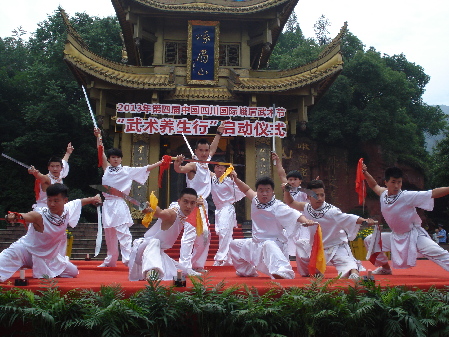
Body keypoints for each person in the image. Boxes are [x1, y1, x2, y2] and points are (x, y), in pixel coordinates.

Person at [0, 183, 101, 282]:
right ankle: (22, 264)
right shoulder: (40, 214)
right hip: (25, 251)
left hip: (48, 257)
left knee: (73, 271)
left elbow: (81, 201)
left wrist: (94, 198)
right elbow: (27, 216)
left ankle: (39, 268)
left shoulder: (67, 209)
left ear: (65, 201)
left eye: (56, 201)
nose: (52, 204)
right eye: (49, 200)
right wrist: (16, 216)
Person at [94, 127, 163, 267]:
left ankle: (128, 259)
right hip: (107, 204)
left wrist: (161, 162)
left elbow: (146, 168)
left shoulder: (127, 171)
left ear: (121, 159)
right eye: (113, 157)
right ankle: (110, 260)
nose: (115, 159)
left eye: (118, 157)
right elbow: (100, 152)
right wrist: (98, 136)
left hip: (119, 203)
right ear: (110, 158)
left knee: (123, 233)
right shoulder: (106, 169)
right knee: (109, 233)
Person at [363, 165, 449, 275]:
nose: (397, 185)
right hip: (395, 236)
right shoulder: (383, 194)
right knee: (370, 240)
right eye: (393, 182)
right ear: (386, 182)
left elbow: (432, 193)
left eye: (399, 182)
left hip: (414, 236)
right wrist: (365, 172)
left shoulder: (406, 196)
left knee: (439, 253)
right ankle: (385, 269)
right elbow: (374, 185)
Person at [228, 173, 315, 279]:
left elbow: (296, 215)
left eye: (267, 190)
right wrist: (236, 179)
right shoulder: (255, 199)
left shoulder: (278, 206)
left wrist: (306, 221)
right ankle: (246, 271)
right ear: (257, 191)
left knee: (268, 244)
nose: (264, 193)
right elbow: (246, 190)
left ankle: (284, 271)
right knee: (234, 244)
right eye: (261, 190)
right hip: (256, 243)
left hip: (274, 244)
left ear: (272, 191)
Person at [283, 179, 375, 279]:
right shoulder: (307, 207)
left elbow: (350, 218)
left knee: (349, 268)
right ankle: (312, 272)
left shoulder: (332, 211)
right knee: (301, 244)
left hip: (335, 246)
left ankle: (355, 274)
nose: (319, 198)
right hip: (316, 248)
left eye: (322, 195)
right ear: (308, 197)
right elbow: (290, 202)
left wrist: (366, 221)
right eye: (316, 195)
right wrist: (286, 191)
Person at [173, 122, 225, 273]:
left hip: (203, 205)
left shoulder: (206, 163)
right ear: (195, 151)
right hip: (192, 205)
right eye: (201, 150)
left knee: (205, 236)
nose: (204, 153)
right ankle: (184, 267)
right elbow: (180, 169)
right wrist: (177, 164)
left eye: (206, 150)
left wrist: (218, 133)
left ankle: (197, 264)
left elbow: (214, 147)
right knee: (189, 235)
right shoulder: (193, 165)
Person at [128, 188, 202, 281]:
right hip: (146, 249)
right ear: (179, 201)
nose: (188, 206)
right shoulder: (173, 214)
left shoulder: (181, 213)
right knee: (155, 242)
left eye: (192, 203)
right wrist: (151, 208)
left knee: (181, 271)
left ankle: (180, 271)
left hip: (158, 252)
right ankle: (152, 274)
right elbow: (161, 213)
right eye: (185, 202)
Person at [271, 152, 310, 257]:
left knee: (304, 242)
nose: (292, 182)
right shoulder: (287, 189)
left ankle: (306, 261)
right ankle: (291, 259)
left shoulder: (304, 191)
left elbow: (315, 196)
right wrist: (278, 161)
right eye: (290, 180)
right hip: (290, 220)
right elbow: (281, 174)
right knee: (289, 240)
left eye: (295, 180)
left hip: (303, 220)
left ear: (300, 181)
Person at [210, 161, 245, 266]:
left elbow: (240, 192)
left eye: (222, 168)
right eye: (217, 167)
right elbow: (203, 169)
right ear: (214, 169)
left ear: (225, 169)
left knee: (225, 232)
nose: (220, 170)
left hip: (227, 208)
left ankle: (221, 258)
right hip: (218, 209)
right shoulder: (213, 178)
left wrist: (236, 179)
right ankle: (230, 259)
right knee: (224, 234)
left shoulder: (228, 180)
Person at [28, 143, 74, 211]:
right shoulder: (47, 179)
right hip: (43, 209)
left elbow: (64, 161)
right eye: (52, 166)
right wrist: (34, 172)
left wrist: (68, 153)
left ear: (61, 168)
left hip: (57, 208)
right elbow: (40, 176)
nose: (55, 169)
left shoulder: (61, 173)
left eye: (57, 166)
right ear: (48, 168)